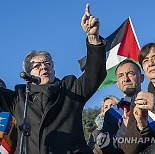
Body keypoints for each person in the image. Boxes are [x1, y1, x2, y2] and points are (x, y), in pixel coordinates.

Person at [0, 4, 107, 154]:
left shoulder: (70, 89)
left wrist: (93, 38)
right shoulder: (17, 99)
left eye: (47, 63)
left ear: (54, 70)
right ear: (28, 74)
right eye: (37, 65)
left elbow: (95, 74)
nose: (43, 67)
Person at [93, 59, 144, 154]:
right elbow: (110, 148)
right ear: (117, 83)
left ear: (141, 78)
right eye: (121, 76)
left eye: (130, 73)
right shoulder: (111, 114)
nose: (125, 79)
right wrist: (126, 127)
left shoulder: (153, 104)